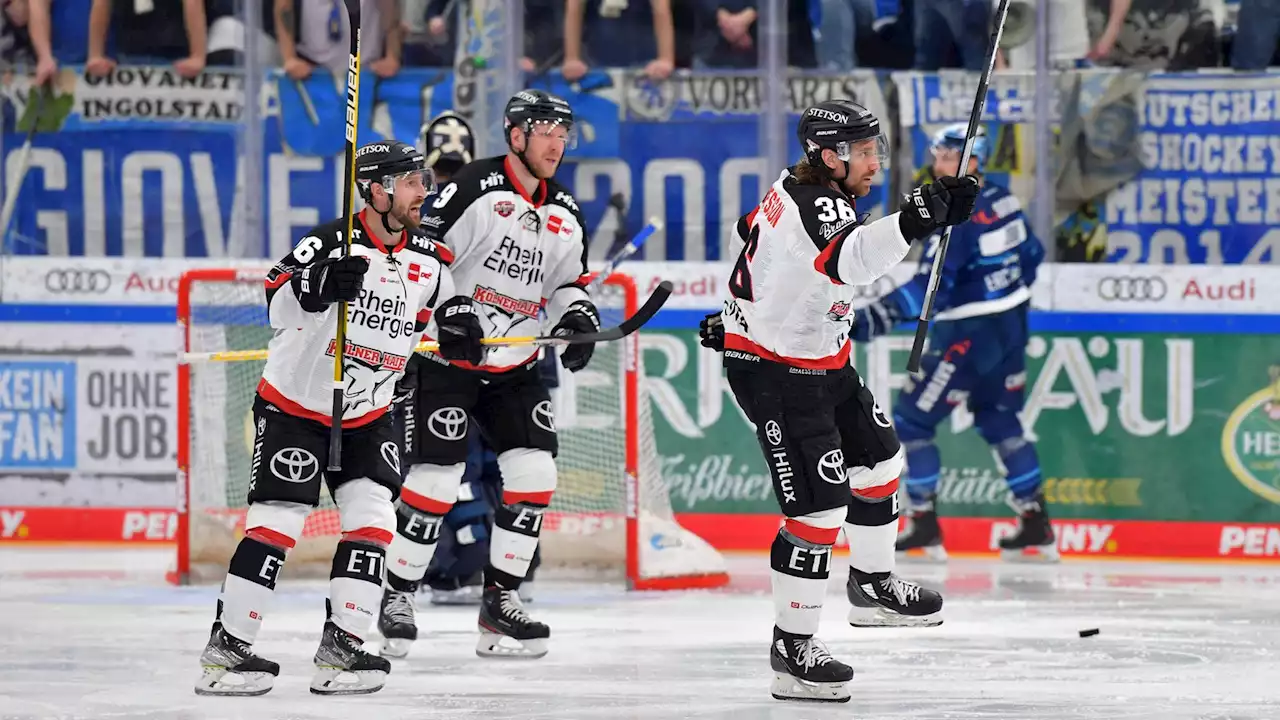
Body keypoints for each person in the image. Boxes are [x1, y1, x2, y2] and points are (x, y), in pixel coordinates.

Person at [698, 100, 977, 703]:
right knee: (819, 509)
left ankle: (871, 585)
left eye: (877, 148)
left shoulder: (789, 188)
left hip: (822, 359)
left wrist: (739, 310)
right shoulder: (815, 203)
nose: (878, 162)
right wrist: (915, 218)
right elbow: (850, 259)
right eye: (867, 151)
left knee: (879, 464)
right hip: (775, 373)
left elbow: (749, 239)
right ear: (831, 156)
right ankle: (791, 650)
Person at [193, 140, 485, 697]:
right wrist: (317, 287)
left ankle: (343, 648)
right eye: (410, 181)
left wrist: (459, 326)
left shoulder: (431, 254)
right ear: (377, 190)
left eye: (423, 179)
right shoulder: (330, 241)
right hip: (297, 408)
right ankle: (228, 650)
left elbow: (444, 309)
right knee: (278, 521)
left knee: (375, 521)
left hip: (371, 412)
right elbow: (275, 304)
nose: (423, 190)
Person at [378, 88, 596, 660]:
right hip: (449, 360)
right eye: (546, 130)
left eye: (563, 132)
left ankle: (500, 603)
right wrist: (451, 309)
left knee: (534, 475)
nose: (558, 142)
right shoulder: (474, 185)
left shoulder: (565, 209)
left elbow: (568, 281)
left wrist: (575, 315)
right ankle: (396, 594)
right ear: (516, 136)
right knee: (436, 481)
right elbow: (423, 248)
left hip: (516, 363)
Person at [852, 124, 1051, 562]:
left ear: (972, 161)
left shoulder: (956, 217)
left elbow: (932, 285)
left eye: (948, 156)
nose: (939, 163)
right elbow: (1032, 257)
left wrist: (872, 318)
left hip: (965, 336)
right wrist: (1003, 297)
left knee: (912, 423)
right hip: (1011, 327)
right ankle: (1037, 523)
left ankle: (924, 524)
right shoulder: (1004, 199)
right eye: (938, 155)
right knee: (1002, 422)